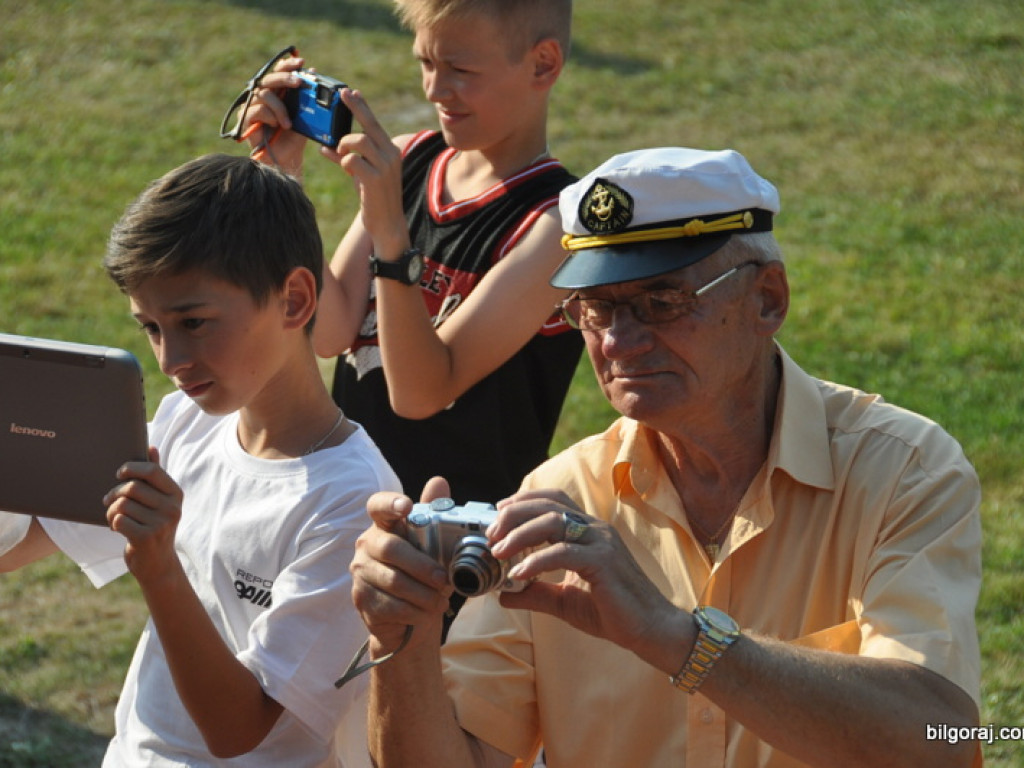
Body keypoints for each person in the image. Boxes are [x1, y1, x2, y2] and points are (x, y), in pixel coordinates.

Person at [347, 147, 984, 768]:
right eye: (595, 308)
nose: (618, 341)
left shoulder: (902, 470)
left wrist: (673, 636)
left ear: (768, 298)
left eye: (661, 303)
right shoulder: (564, 494)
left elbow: (940, 739)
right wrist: (400, 639)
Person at [0, 154, 400, 767]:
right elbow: (16, 545)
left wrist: (159, 569)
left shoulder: (351, 501)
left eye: (193, 322)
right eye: (152, 329)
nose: (170, 359)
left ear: (294, 300)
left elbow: (238, 729)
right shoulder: (185, 424)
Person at [239, 0, 583, 506]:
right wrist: (284, 178)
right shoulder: (413, 160)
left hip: (456, 541)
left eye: (461, 71)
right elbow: (330, 332)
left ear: (543, 64)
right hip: (345, 501)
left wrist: (391, 236)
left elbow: (422, 394)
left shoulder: (555, 225)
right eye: (426, 62)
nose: (434, 90)